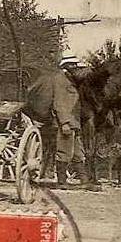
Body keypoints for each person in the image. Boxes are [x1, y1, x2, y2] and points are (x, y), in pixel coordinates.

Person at [24, 52, 100, 192]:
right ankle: (61, 181)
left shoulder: (70, 80)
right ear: (67, 67)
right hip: (64, 122)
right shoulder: (60, 79)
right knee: (64, 151)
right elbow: (60, 103)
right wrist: (64, 122)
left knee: (78, 152)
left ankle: (84, 180)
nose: (77, 69)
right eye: (74, 66)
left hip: (73, 121)